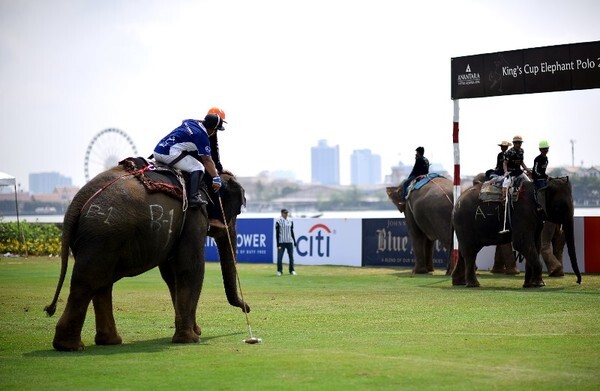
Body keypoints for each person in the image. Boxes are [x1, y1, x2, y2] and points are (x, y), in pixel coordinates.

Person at [153, 114, 223, 213]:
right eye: (216, 130)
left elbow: (184, 119)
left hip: (157, 151)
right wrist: (216, 178)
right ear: (212, 129)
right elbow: (207, 161)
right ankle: (193, 198)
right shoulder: (203, 137)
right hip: (168, 155)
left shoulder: (190, 121)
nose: (215, 132)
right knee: (198, 167)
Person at [275, 208, 297, 276]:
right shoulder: (278, 221)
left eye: (287, 213)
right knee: (280, 257)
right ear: (282, 213)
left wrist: (294, 240)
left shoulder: (290, 220)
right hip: (282, 241)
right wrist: (278, 244)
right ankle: (279, 271)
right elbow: (277, 233)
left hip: (289, 241)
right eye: (285, 213)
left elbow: (292, 231)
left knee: (291, 257)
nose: (286, 214)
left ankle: (292, 270)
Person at [532, 140, 550, 212]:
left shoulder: (546, 159)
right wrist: (543, 176)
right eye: (543, 149)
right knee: (542, 189)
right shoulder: (537, 159)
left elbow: (543, 171)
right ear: (540, 150)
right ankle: (539, 205)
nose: (545, 150)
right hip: (537, 179)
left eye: (546, 148)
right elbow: (536, 171)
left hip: (543, 178)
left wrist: (546, 176)